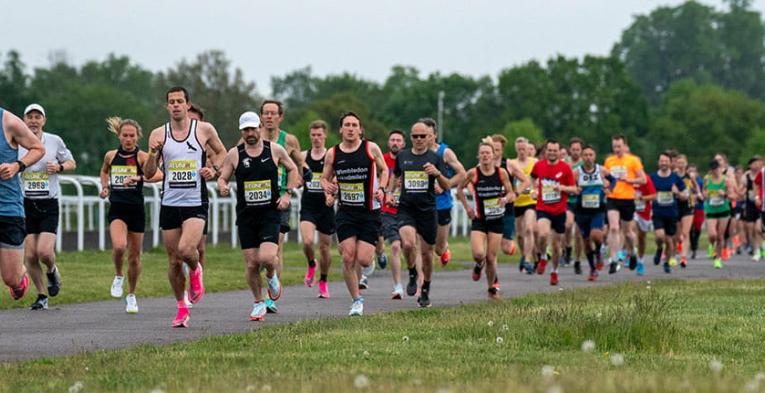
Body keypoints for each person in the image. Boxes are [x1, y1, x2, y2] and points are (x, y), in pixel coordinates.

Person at [143, 86, 227, 327]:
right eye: (172, 102)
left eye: (180, 101)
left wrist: (214, 169)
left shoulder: (203, 130)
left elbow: (222, 153)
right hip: (169, 201)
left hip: (195, 200)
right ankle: (181, 307)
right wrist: (152, 153)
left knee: (186, 249)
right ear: (167, 106)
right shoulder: (158, 134)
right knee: (172, 260)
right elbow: (149, 173)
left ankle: (196, 269)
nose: (176, 105)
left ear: (188, 105)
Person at [217, 112, 298, 321]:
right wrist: (223, 186)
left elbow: (293, 169)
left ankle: (272, 276)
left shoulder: (275, 150)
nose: (250, 133)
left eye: (253, 129)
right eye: (246, 130)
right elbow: (223, 177)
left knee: (267, 257)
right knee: (252, 264)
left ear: (260, 127)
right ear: (241, 131)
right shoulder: (235, 154)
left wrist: (287, 194)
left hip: (270, 213)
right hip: (246, 216)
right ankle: (258, 302)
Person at [320, 112, 388, 316]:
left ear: (360, 129)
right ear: (340, 129)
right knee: (348, 257)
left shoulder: (370, 148)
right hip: (346, 212)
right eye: (347, 125)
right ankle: (356, 300)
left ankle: (371, 261)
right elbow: (324, 178)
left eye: (354, 125)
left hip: (369, 212)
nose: (350, 128)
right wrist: (328, 192)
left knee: (364, 259)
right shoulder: (332, 153)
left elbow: (384, 171)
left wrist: (382, 189)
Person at [386, 121, 450, 308]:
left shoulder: (435, 158)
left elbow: (446, 186)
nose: (420, 139)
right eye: (415, 136)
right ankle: (412, 271)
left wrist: (437, 174)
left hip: (428, 211)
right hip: (406, 208)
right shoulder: (403, 156)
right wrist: (390, 193)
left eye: (423, 136)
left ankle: (426, 288)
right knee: (407, 243)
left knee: (427, 254)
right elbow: (395, 176)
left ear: (429, 137)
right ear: (410, 138)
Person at [19, 104, 76, 310]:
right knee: (30, 255)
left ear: (44, 120)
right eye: (30, 116)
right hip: (25, 203)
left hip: (48, 203)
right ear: (23, 120)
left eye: (37, 117)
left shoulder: (54, 141)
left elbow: (71, 162)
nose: (33, 120)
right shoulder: (16, 142)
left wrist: (59, 167)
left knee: (44, 251)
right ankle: (42, 295)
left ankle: (52, 270)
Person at [99, 117, 157, 313]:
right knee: (119, 246)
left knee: (134, 257)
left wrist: (139, 177)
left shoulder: (141, 157)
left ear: (137, 137)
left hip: (136, 210)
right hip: (117, 208)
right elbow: (104, 171)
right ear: (119, 135)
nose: (128, 139)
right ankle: (118, 275)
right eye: (125, 135)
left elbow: (157, 175)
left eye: (132, 136)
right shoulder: (110, 155)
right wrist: (105, 187)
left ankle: (131, 295)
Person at [259, 100, 303, 314]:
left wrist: (300, 179)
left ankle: (269, 295)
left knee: (276, 247)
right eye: (265, 113)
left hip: (280, 200)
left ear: (280, 117)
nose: (269, 117)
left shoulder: (289, 140)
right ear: (260, 116)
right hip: (255, 200)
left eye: (273, 113)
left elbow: (299, 165)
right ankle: (264, 285)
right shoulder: (250, 137)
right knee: (256, 253)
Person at [457, 139, 515, 299]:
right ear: (478, 155)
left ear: (493, 155)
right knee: (478, 254)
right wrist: (467, 208)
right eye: (482, 153)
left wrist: (506, 199)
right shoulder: (473, 173)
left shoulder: (501, 173)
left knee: (491, 257)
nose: (485, 156)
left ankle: (492, 289)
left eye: (488, 153)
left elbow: (511, 193)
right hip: (479, 220)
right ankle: (478, 264)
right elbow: (460, 189)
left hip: (496, 219)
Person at [0, 107, 44, 301]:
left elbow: (38, 148)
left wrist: (17, 166)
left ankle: (20, 276)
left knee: (11, 278)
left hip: (8, 208)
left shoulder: (8, 122)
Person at [421, 118, 466, 267]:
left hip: (442, 203)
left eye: (427, 135)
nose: (423, 138)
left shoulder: (445, 152)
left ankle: (445, 248)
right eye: (420, 135)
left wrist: (445, 185)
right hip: (422, 204)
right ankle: (420, 279)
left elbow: (462, 174)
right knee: (423, 246)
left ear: (434, 135)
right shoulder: (415, 153)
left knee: (438, 249)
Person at [531, 140, 576, 286]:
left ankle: (554, 271)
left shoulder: (565, 168)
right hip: (543, 207)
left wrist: (561, 188)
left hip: (559, 210)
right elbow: (532, 177)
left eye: (554, 150)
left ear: (559, 152)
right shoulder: (539, 165)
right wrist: (533, 190)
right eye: (549, 150)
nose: (552, 153)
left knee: (557, 246)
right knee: (542, 234)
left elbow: (573, 189)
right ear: (545, 151)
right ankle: (543, 256)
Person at [299, 120, 335, 298]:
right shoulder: (303, 156)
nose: (316, 138)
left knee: (325, 248)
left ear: (325, 135)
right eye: (313, 135)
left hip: (326, 208)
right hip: (308, 206)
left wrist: (331, 195)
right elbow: (298, 178)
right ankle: (311, 264)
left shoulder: (330, 155)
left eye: (319, 135)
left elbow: (336, 180)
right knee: (306, 241)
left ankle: (323, 280)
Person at [603, 134, 646, 274]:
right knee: (614, 228)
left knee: (627, 232)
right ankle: (614, 259)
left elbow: (643, 180)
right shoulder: (609, 161)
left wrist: (629, 180)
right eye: (614, 146)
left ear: (625, 146)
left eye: (619, 146)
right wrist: (605, 186)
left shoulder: (633, 161)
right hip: (612, 198)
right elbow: (605, 178)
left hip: (627, 199)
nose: (617, 149)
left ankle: (632, 252)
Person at [490, 135, 531, 275]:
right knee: (490, 247)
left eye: (497, 149)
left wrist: (516, 193)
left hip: (506, 209)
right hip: (489, 210)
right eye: (492, 149)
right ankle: (491, 275)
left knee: (506, 249)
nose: (494, 152)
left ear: (501, 151)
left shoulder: (509, 165)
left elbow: (525, 181)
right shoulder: (482, 165)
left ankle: (512, 247)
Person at [573, 145, 612, 281]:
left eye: (591, 155)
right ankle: (592, 268)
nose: (588, 157)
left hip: (598, 209)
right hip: (582, 211)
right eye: (586, 155)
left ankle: (600, 251)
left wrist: (609, 188)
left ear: (594, 156)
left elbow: (614, 181)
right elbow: (569, 186)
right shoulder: (577, 172)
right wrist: (574, 189)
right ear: (582, 157)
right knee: (587, 242)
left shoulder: (601, 170)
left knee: (596, 235)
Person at [650, 152, 687, 274]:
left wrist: (677, 193)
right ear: (658, 162)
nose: (664, 163)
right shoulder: (653, 177)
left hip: (672, 213)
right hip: (658, 212)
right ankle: (659, 249)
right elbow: (647, 192)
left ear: (670, 163)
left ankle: (666, 262)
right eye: (661, 161)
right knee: (660, 236)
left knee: (670, 240)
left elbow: (685, 196)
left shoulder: (675, 178)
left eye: (666, 161)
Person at [381, 130, 407, 299]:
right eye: (392, 140)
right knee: (395, 246)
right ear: (389, 143)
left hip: (407, 210)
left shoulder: (410, 160)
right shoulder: (382, 160)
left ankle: (418, 282)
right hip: (388, 210)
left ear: (403, 144)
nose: (395, 143)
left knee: (412, 248)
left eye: (398, 140)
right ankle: (398, 286)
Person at [509, 137, 538, 275]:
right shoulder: (512, 163)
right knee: (520, 235)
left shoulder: (535, 162)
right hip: (516, 202)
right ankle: (524, 254)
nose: (522, 152)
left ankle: (528, 259)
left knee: (528, 229)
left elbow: (541, 179)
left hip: (531, 202)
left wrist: (537, 190)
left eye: (524, 149)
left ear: (528, 149)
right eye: (519, 149)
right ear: (516, 149)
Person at [704, 160, 736, 269]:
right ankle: (712, 246)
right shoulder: (707, 180)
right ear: (711, 170)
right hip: (711, 210)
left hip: (723, 210)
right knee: (712, 235)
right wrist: (706, 195)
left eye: (717, 168)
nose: (715, 171)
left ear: (720, 168)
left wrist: (725, 194)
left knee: (720, 236)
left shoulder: (726, 181)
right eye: (713, 169)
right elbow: (703, 194)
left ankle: (718, 258)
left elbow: (733, 196)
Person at [674, 154, 702, 267]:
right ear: (676, 164)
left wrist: (698, 193)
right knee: (678, 234)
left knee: (685, 233)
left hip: (688, 205)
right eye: (679, 163)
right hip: (675, 205)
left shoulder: (690, 176)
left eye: (683, 163)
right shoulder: (673, 175)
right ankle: (679, 243)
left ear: (686, 163)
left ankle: (683, 258)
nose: (681, 165)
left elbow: (696, 187)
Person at [564, 138, 585, 273]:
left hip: (582, 202)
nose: (576, 152)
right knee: (568, 224)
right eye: (573, 150)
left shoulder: (585, 163)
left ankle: (577, 260)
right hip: (568, 201)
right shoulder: (565, 163)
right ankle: (567, 247)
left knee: (579, 234)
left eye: (578, 150)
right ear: (569, 150)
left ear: (581, 150)